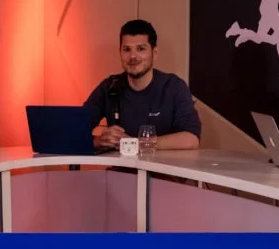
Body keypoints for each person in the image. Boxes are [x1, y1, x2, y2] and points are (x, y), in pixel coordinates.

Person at [83, 20, 202, 152]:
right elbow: (74, 130)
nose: (133, 56)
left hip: (161, 166)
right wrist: (98, 141)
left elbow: (191, 139)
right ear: (120, 52)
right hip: (120, 166)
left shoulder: (173, 86)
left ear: (154, 53)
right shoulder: (109, 86)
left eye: (140, 49)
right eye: (127, 49)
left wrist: (134, 144)